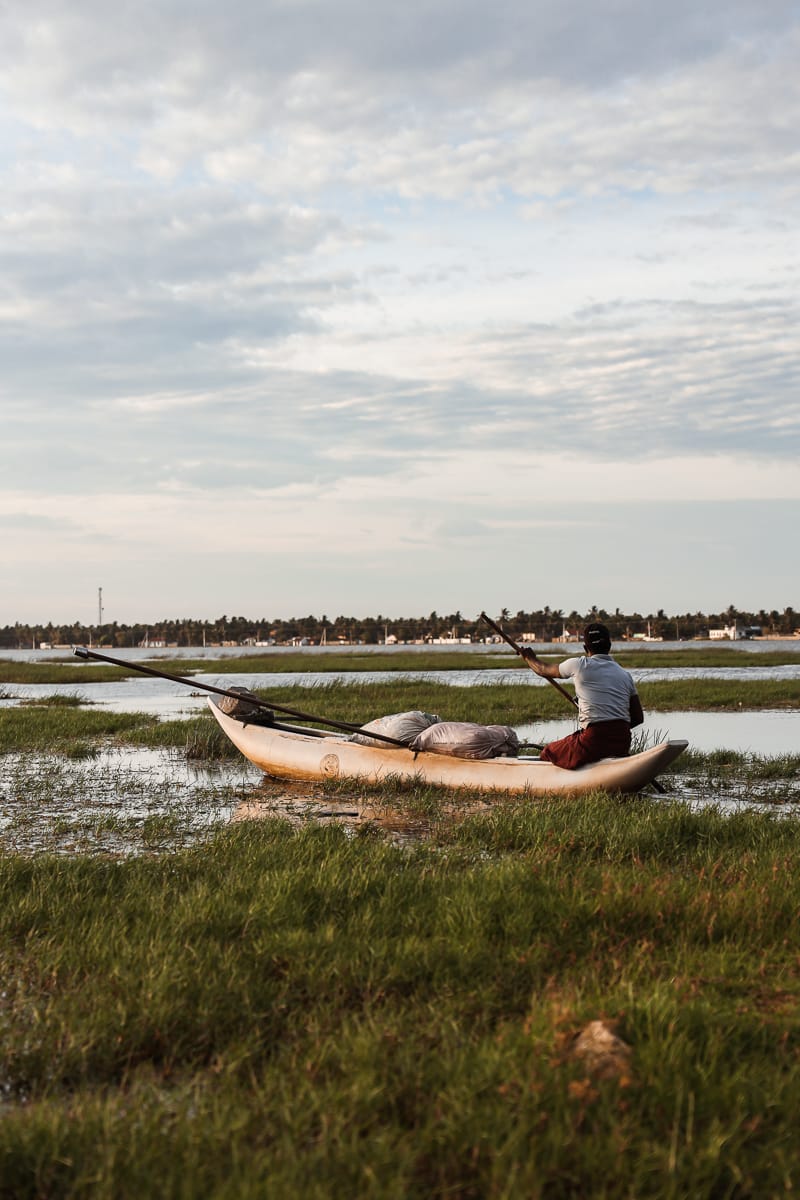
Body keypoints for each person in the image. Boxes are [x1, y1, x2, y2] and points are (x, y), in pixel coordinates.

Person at [521, 622, 643, 769]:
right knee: (575, 741)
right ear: (609, 645)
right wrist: (612, 730)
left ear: (586, 648)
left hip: (593, 740)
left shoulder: (578, 664)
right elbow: (638, 718)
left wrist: (529, 658)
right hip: (622, 742)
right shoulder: (625, 675)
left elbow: (543, 669)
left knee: (549, 752)